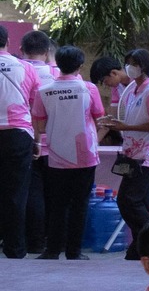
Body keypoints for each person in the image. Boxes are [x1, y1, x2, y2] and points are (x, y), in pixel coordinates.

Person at [32, 45, 101, 261]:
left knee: (57, 204)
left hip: (57, 155)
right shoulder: (89, 89)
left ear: (57, 64)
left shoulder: (43, 91)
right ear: (80, 66)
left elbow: (39, 124)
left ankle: (52, 250)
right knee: (80, 204)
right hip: (86, 155)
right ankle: (74, 252)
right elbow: (99, 117)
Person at [104, 49, 149, 261]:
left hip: (146, 155)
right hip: (131, 153)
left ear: (143, 66)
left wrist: (128, 126)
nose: (129, 68)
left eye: (133, 63)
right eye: (128, 63)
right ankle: (142, 245)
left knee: (130, 201)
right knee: (129, 201)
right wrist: (118, 125)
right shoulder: (132, 91)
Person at [0, 25, 43, 260]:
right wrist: (36, 141)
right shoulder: (25, 68)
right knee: (16, 193)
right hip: (18, 134)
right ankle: (15, 248)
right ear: (7, 41)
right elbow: (35, 107)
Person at [19, 29, 53, 253]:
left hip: (28, 139)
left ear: (21, 50)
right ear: (48, 51)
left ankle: (32, 241)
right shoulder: (58, 75)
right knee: (52, 194)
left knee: (30, 192)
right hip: (56, 144)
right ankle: (50, 240)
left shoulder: (20, 71)